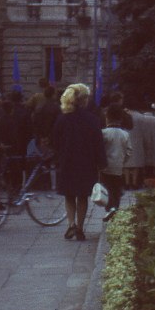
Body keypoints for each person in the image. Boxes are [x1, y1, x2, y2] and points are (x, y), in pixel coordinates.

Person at [51, 83, 105, 240]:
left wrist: (58, 158)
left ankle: (71, 224)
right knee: (82, 195)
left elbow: (56, 141)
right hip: (87, 162)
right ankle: (80, 228)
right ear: (84, 99)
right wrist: (101, 162)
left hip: (67, 161)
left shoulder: (62, 119)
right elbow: (98, 142)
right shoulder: (92, 119)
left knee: (69, 194)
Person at [100, 105, 133, 222]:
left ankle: (109, 208)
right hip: (118, 166)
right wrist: (123, 161)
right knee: (116, 189)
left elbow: (100, 150)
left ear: (107, 118)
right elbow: (129, 151)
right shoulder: (125, 134)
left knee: (107, 188)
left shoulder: (103, 133)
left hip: (105, 167)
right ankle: (115, 208)